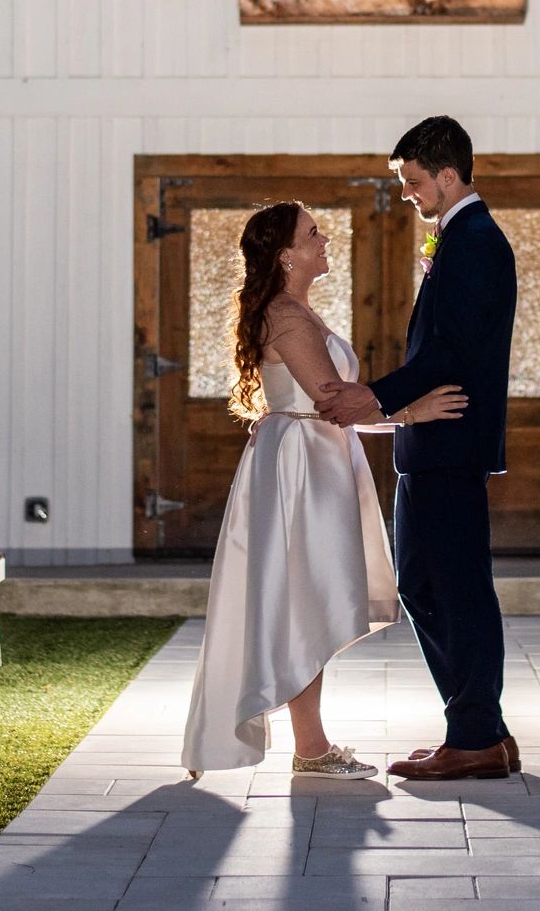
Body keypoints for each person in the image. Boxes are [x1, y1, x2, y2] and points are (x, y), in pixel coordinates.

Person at [179, 202, 468, 778]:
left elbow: (338, 408)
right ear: (287, 254)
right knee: (302, 597)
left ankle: (310, 745)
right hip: (299, 469)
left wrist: (405, 414)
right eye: (313, 233)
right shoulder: (284, 314)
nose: (325, 238)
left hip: (318, 456)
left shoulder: (298, 311)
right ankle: (309, 747)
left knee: (307, 596)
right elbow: (335, 399)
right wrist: (413, 412)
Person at [315, 115, 520, 781]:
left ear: (449, 174)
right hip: (431, 441)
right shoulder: (460, 240)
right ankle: (480, 725)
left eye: (412, 181)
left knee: (453, 589)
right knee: (430, 583)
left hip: (449, 440)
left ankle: (475, 733)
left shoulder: (475, 242)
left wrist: (369, 396)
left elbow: (447, 353)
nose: (407, 193)